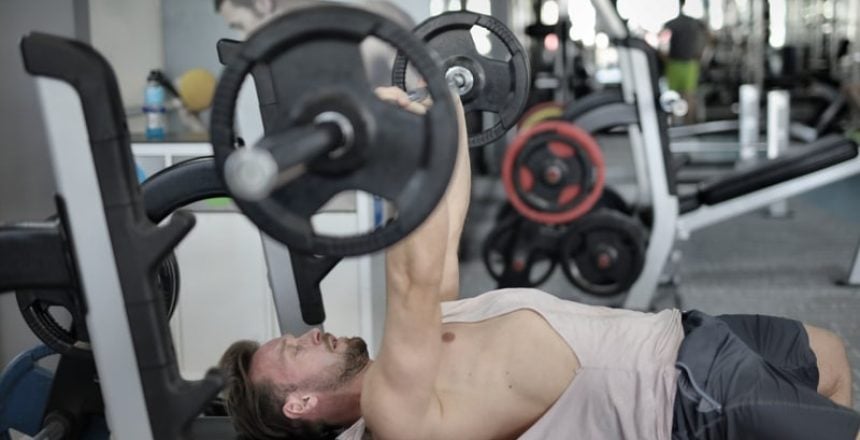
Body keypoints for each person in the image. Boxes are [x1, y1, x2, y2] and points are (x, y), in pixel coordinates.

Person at [217, 82, 860, 439]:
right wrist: (394, 150)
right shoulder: (394, 413)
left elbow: (442, 232)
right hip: (688, 401)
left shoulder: (406, 359)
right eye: (296, 349)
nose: (312, 333)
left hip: (687, 337)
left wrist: (444, 114)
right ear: (299, 404)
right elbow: (409, 278)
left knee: (827, 356)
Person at [661, 0, 711, 124]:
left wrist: (663, 57)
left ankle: (673, 123)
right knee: (688, 95)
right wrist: (702, 54)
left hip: (676, 63)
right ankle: (688, 124)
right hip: (688, 62)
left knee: (675, 95)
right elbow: (710, 37)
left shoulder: (672, 24)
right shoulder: (694, 23)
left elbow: (662, 42)